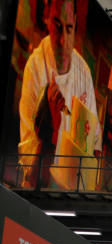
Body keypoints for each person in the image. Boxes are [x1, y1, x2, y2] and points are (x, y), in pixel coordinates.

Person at [18, 0, 100, 189]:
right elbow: (29, 160)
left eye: (69, 28)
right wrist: (49, 125)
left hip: (71, 191)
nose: (63, 40)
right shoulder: (35, 66)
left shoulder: (84, 72)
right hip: (40, 187)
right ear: (46, 17)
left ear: (76, 23)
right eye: (57, 26)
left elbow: (94, 145)